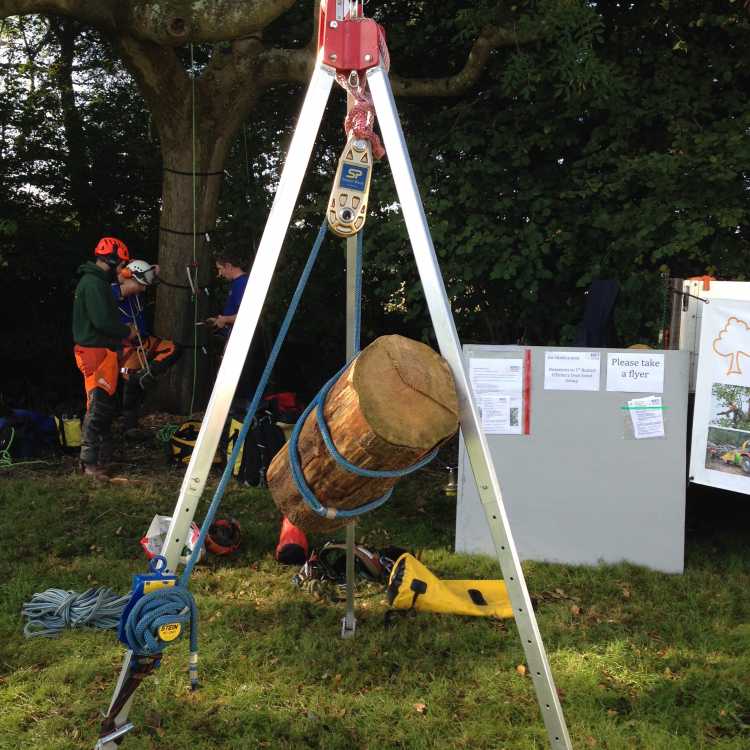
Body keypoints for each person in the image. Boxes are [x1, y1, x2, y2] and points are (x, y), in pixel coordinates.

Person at [72, 237, 136, 478]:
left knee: (104, 406)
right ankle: (89, 464)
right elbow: (102, 321)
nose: (122, 268)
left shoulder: (97, 282)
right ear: (111, 259)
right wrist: (126, 331)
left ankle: (100, 459)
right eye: (121, 262)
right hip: (94, 351)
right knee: (97, 407)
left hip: (103, 351)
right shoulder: (93, 284)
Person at [112, 260, 181, 433]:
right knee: (130, 383)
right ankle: (130, 426)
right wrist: (122, 278)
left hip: (145, 341)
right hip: (127, 346)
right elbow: (115, 283)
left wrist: (152, 271)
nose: (144, 289)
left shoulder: (136, 290)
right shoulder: (112, 291)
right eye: (141, 285)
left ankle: (146, 374)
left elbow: (143, 270)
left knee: (173, 348)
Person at [207, 251, 249, 333]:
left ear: (228, 266)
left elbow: (246, 315)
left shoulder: (241, 283)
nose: (219, 274)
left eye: (220, 269)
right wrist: (219, 320)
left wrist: (225, 319)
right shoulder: (236, 282)